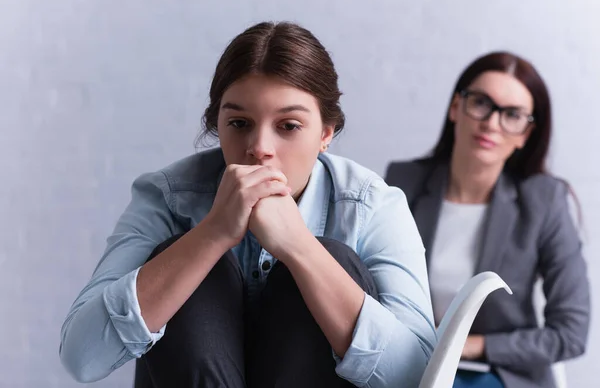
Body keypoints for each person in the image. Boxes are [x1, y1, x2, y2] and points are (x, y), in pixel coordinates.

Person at [59, 21, 436, 388]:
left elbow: (421, 377)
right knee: (189, 259)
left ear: (325, 133)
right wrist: (211, 236)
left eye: (288, 126)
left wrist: (299, 248)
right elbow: (82, 358)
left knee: (331, 258)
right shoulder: (169, 197)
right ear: (216, 124)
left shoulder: (371, 206)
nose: (260, 148)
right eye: (239, 123)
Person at [385, 51, 590, 388]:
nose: (492, 123)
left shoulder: (545, 201)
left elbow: (570, 333)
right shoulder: (403, 182)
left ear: (525, 133)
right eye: (481, 102)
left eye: (512, 115)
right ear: (456, 108)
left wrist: (469, 347)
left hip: (494, 374)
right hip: (406, 363)